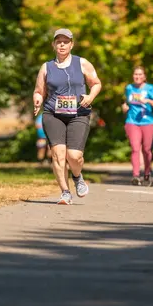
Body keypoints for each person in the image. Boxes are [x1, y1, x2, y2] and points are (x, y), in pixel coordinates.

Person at [33, 28, 101, 205]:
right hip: (52, 114)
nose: (62, 44)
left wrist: (90, 97)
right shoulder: (46, 67)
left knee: (74, 155)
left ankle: (77, 177)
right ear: (53, 45)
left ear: (71, 44)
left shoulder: (81, 63)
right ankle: (65, 192)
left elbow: (96, 83)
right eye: (58, 41)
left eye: (65, 41)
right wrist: (38, 100)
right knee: (58, 154)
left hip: (78, 113)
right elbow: (39, 91)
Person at [122, 66, 153, 186]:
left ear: (144, 77)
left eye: (140, 74)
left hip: (148, 122)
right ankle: (135, 175)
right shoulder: (129, 88)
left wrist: (148, 101)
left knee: (146, 150)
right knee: (135, 148)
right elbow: (126, 102)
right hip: (132, 122)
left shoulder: (150, 88)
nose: (137, 77)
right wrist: (124, 107)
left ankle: (147, 174)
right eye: (135, 74)